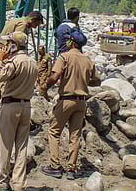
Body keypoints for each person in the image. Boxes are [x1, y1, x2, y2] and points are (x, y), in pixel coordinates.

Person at [40, 29, 98, 180]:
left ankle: (55, 166)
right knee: (75, 135)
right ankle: (71, 169)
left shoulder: (64, 57)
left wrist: (45, 85)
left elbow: (55, 76)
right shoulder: (88, 60)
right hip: (81, 102)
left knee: (54, 131)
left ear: (71, 42)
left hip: (66, 100)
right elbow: (96, 80)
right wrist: (84, 80)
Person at [0, 32, 38, 191]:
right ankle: (19, 184)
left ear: (14, 45)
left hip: (10, 106)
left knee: (4, 146)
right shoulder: (32, 62)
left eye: (9, 43)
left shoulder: (15, 62)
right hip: (26, 106)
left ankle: (3, 183)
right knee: (22, 148)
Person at [0, 11, 44, 125]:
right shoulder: (23, 25)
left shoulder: (15, 20)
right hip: (6, 54)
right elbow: (17, 42)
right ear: (33, 19)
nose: (35, 27)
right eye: (37, 24)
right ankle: (3, 115)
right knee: (4, 85)